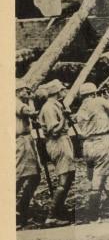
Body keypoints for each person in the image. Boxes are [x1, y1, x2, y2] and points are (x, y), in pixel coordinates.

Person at [74, 82, 109, 222]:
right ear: (94, 93)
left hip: (87, 145)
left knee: (93, 178)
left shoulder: (81, 109)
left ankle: (93, 210)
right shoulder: (99, 101)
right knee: (98, 180)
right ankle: (93, 215)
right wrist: (107, 100)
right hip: (101, 142)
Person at [38, 80, 76, 226]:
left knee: (69, 175)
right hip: (58, 142)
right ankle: (51, 216)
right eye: (61, 90)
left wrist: (67, 116)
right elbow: (54, 131)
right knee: (64, 178)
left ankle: (59, 210)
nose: (63, 92)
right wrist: (64, 118)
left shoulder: (56, 105)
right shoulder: (49, 108)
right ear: (56, 91)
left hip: (63, 140)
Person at [16, 80, 40, 228]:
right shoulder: (15, 102)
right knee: (19, 175)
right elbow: (31, 112)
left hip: (27, 139)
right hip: (21, 141)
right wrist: (31, 100)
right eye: (25, 90)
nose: (27, 92)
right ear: (18, 91)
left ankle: (21, 207)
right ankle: (14, 210)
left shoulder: (20, 102)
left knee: (35, 176)